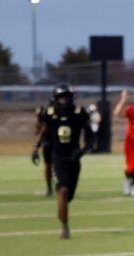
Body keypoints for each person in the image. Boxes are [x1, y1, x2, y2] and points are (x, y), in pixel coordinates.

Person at [33, 84, 93, 239]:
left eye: (66, 97)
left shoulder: (79, 113)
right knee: (62, 192)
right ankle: (65, 227)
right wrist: (36, 147)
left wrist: (83, 150)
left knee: (69, 197)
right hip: (58, 157)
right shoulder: (50, 113)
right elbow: (43, 130)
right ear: (56, 99)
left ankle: (63, 215)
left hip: (74, 158)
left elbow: (90, 135)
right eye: (61, 97)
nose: (64, 100)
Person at [32, 97, 54, 196]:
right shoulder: (46, 114)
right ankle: (50, 187)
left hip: (60, 143)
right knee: (49, 166)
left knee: (56, 166)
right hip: (49, 142)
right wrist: (37, 145)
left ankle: (55, 187)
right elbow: (39, 130)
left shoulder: (66, 112)